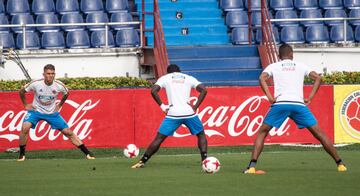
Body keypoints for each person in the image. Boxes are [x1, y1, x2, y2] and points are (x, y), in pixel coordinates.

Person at [244, 44, 346, 174]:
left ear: (279, 56)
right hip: (298, 104)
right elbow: (318, 78)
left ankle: (252, 166)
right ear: (292, 54)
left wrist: (270, 97)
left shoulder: (274, 66)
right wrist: (310, 98)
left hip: (281, 103)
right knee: (319, 134)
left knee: (262, 133)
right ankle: (340, 164)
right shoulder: (301, 66)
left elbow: (261, 78)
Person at [132, 64, 208, 168]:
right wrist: (195, 106)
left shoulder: (165, 78)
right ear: (179, 71)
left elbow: (153, 91)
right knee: (201, 134)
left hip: (173, 114)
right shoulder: (188, 78)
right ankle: (204, 160)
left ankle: (142, 161)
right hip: (189, 113)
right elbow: (204, 90)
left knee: (159, 138)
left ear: (168, 72)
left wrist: (162, 106)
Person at [17, 64, 95, 161]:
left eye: (52, 74)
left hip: (52, 113)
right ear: (44, 74)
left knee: (68, 132)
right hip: (36, 111)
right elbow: (21, 92)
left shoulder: (59, 85)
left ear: (55, 74)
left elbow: (67, 93)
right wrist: (26, 105)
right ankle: (22, 154)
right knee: (25, 127)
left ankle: (87, 153)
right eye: (48, 73)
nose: (50, 76)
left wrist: (59, 105)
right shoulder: (36, 83)